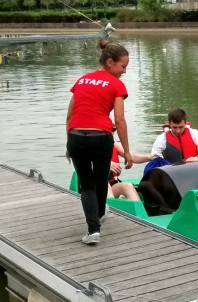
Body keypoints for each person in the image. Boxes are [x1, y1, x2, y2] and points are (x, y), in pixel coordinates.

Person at [66, 38, 134, 245]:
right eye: (123, 66)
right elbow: (119, 120)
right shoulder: (116, 85)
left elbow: (70, 116)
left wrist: (68, 144)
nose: (124, 71)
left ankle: (93, 230)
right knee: (101, 176)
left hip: (76, 136)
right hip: (101, 137)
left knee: (86, 185)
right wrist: (128, 152)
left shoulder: (82, 80)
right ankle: (101, 213)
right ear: (111, 62)